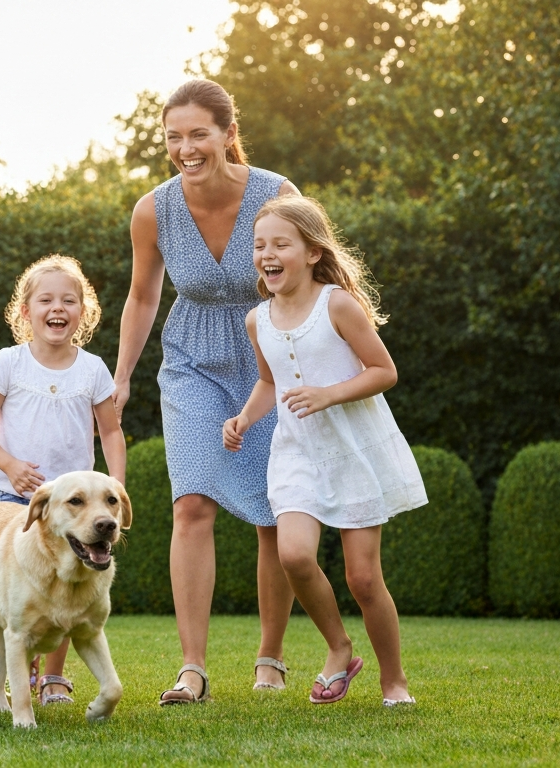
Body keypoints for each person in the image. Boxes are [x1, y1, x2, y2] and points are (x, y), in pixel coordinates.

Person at [114, 79, 299, 705]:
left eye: (198, 134)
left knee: (274, 512)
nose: (186, 148)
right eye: (174, 137)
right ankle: (191, 668)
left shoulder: (278, 195)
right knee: (191, 504)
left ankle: (270, 658)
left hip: (269, 364)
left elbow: (310, 282)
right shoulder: (154, 209)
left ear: (227, 133)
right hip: (190, 361)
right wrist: (122, 375)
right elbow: (143, 297)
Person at [223, 195, 424, 706]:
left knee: (362, 578)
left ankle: (393, 681)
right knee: (292, 554)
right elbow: (270, 382)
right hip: (296, 453)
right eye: (259, 244)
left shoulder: (336, 304)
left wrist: (328, 394)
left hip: (354, 450)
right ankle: (339, 647)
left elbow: (384, 371)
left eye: (280, 244)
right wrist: (245, 418)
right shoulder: (257, 320)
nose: (266, 253)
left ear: (312, 252)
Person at [0, 254, 127, 707]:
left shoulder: (93, 369)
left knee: (69, 588)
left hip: (78, 508)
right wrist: (12, 465)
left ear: (83, 311)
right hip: (13, 498)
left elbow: (111, 431)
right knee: (27, 597)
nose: (57, 308)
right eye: (46, 300)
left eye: (69, 300)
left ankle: (54, 678)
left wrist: (115, 487)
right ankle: (25, 676)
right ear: (26, 311)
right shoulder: (8, 363)